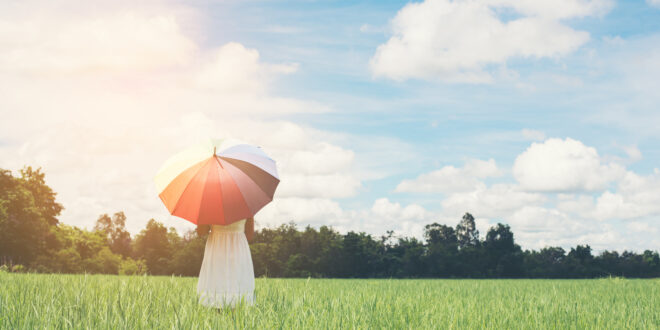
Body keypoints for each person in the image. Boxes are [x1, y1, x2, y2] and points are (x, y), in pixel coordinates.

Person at [196, 217, 255, 308]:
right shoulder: (246, 205)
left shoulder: (209, 205)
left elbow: (201, 232)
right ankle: (236, 315)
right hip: (238, 247)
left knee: (216, 281)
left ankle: (216, 315)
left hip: (216, 247)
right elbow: (250, 234)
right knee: (237, 281)